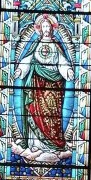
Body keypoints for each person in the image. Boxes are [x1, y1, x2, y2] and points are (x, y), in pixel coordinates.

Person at [12, 14, 75, 164]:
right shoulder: (35, 44)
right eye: (44, 26)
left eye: (48, 26)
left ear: (52, 29)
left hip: (53, 88)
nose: (46, 29)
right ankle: (35, 145)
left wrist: (68, 71)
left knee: (52, 116)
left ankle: (52, 147)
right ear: (40, 29)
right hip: (37, 86)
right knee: (35, 112)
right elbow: (27, 59)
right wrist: (20, 70)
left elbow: (62, 62)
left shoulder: (56, 46)